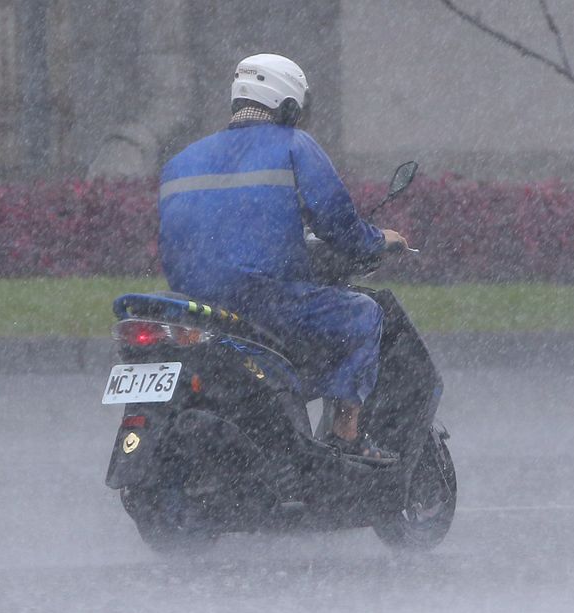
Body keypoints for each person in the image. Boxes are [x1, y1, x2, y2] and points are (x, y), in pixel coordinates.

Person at [158, 53, 408, 464]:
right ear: (288, 104)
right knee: (364, 314)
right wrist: (379, 241)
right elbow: (338, 223)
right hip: (266, 302)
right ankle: (347, 437)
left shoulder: (179, 162)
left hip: (198, 310)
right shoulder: (294, 145)